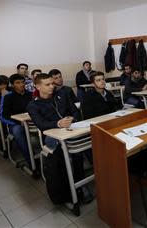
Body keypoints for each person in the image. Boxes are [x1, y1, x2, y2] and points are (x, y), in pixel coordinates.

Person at [27, 73, 93, 202]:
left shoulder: (61, 96)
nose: (52, 86)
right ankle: (78, 186)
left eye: (52, 83)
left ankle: (82, 180)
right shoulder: (33, 105)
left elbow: (75, 111)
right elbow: (41, 125)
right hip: (52, 136)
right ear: (37, 87)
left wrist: (72, 118)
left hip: (71, 130)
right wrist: (58, 123)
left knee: (89, 141)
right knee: (73, 152)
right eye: (48, 84)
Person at [0, 74, 33, 165]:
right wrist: (17, 122)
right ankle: (30, 160)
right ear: (12, 85)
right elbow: (3, 116)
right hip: (16, 124)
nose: (21, 84)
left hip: (31, 121)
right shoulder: (8, 97)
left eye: (22, 82)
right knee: (18, 131)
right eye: (17, 83)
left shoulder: (30, 94)